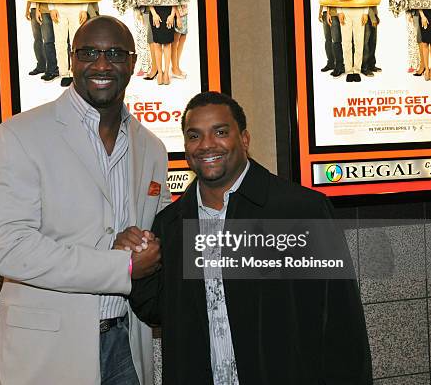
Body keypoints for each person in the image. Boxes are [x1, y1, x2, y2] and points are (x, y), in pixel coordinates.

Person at [123, 92, 373, 384]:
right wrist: (137, 267)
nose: (206, 145)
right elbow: (159, 312)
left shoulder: (299, 210)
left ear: (244, 139)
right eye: (194, 136)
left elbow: (342, 322)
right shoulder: (173, 224)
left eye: (220, 132)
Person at [0, 15, 171, 385]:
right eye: (89, 53)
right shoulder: (20, 135)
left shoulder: (152, 147)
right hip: (50, 349)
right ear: (72, 59)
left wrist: (148, 244)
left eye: (115, 53)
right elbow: (10, 249)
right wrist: (122, 266)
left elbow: (160, 229)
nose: (102, 65)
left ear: (133, 63)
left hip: (128, 342)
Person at [46, 0, 89, 87]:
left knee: (77, 43)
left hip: (76, 6)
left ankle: (75, 73)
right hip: (58, 7)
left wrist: (84, 8)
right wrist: (51, 8)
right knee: (60, 42)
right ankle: (64, 74)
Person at [144, 0, 181, 85]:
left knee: (167, 44)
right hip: (155, 13)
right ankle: (160, 72)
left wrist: (172, 15)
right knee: (157, 44)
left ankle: (166, 74)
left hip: (168, 13)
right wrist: (154, 14)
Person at [26, 0, 59, 82]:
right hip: (34, 9)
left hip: (45, 8)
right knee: (37, 39)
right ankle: (41, 66)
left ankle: (53, 69)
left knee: (48, 40)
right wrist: (27, 9)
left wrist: (38, 8)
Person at [337, 0, 369, 82]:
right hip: (345, 10)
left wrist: (365, 12)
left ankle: (357, 70)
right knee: (346, 42)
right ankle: (349, 71)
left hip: (359, 10)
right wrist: (339, 11)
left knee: (359, 42)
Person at [322, 0, 345, 77]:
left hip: (345, 12)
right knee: (333, 40)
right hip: (332, 12)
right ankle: (336, 65)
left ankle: (342, 66)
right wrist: (326, 13)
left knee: (342, 40)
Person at [361, 0, 380, 77]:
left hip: (373, 15)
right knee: (365, 43)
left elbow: (373, 0)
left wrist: (376, 16)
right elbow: (365, 1)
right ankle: (364, 67)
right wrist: (372, 17)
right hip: (366, 16)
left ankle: (372, 65)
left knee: (373, 41)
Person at [416, 0, 431, 80]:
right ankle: (427, 69)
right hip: (423, 15)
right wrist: (422, 16)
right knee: (424, 43)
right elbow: (418, 1)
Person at [170, 0, 187, 79]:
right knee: (175, 43)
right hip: (178, 15)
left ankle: (177, 66)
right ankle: (175, 69)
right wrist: (178, 17)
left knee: (182, 39)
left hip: (184, 13)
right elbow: (174, 1)